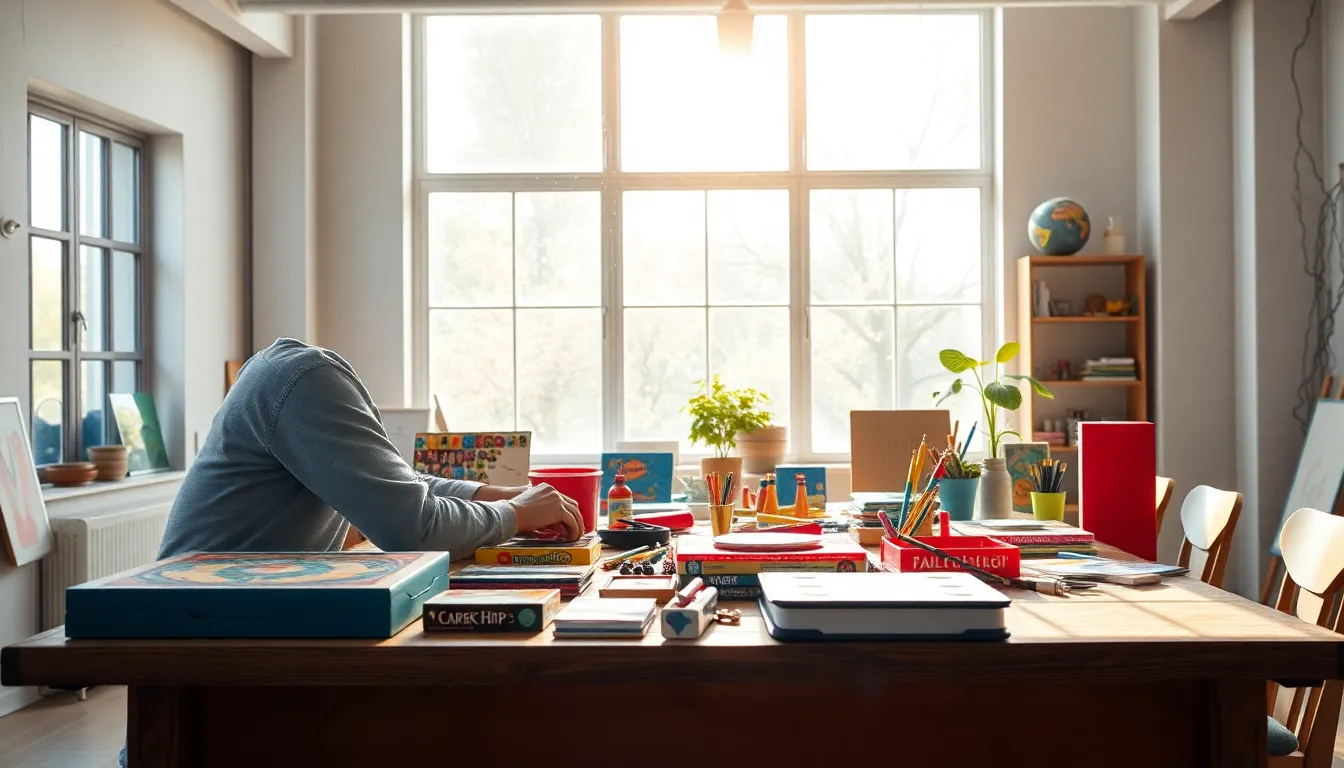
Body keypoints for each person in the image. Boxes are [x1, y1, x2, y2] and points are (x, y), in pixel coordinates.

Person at [157, 338, 583, 561]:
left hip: (227, 608)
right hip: (203, 626)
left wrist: (496, 495)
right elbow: (412, 529)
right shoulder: (308, 382)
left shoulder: (302, 373)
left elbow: (398, 484)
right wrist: (518, 515)